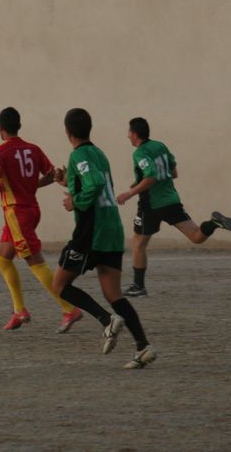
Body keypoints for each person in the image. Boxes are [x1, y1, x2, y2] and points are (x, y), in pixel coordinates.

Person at [51, 108, 156, 368]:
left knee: (60, 285)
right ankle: (143, 347)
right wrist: (68, 182)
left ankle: (106, 320)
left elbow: (95, 183)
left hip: (92, 231)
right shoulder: (99, 153)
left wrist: (74, 201)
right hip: (112, 229)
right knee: (113, 294)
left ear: (68, 131)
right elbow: (94, 182)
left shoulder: (78, 155)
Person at [0, 106, 84, 333]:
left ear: (0, 128)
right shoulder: (33, 149)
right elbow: (52, 175)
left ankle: (69, 308)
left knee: (36, 263)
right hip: (30, 209)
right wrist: (31, 185)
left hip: (16, 213)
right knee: (2, 259)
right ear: (19, 126)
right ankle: (19, 311)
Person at [115, 118, 231, 297]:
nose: (127, 136)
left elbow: (151, 177)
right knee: (196, 236)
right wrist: (140, 181)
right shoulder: (160, 146)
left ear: (134, 134)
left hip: (151, 205)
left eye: (129, 133)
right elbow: (173, 172)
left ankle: (138, 286)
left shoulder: (140, 153)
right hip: (171, 200)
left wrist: (129, 193)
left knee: (138, 244)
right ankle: (213, 223)